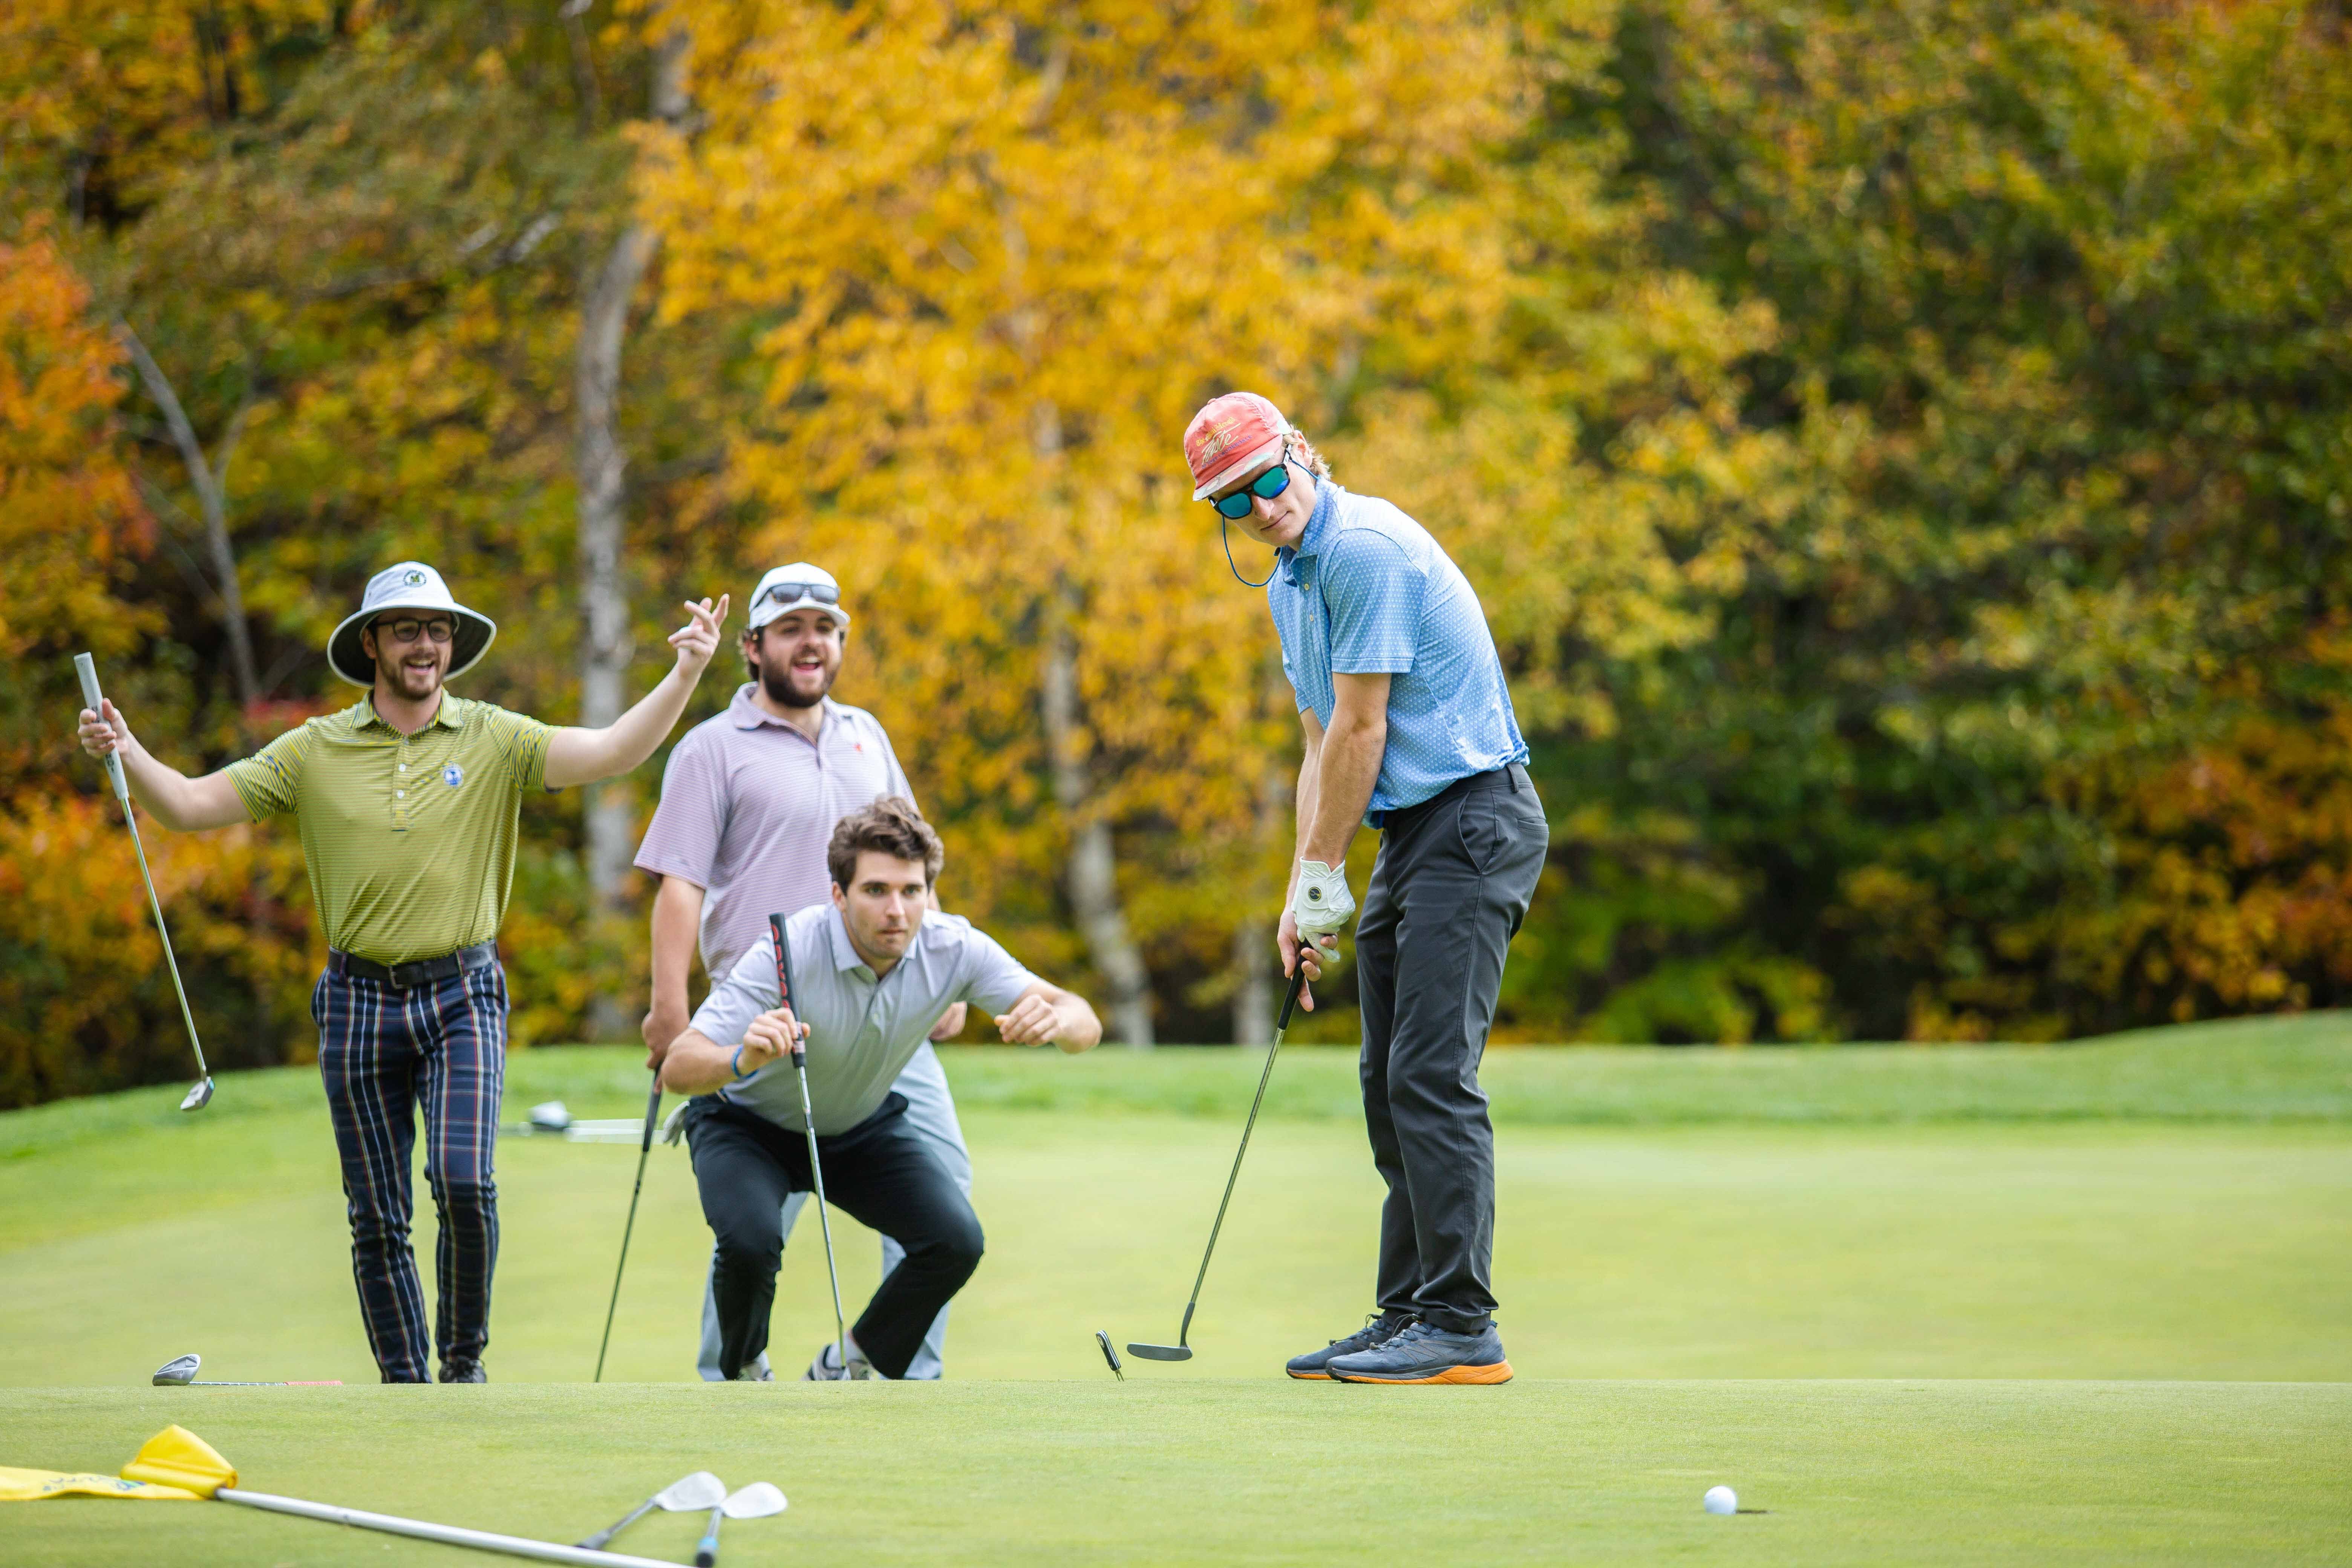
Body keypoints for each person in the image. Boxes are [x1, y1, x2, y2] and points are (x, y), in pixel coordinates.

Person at [78, 561, 728, 1384]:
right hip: (355, 999)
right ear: (372, 643)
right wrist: (126, 748)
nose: (426, 645)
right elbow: (188, 805)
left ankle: (461, 1366)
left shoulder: (496, 738)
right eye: (407, 630)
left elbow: (613, 752)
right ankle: (404, 1383)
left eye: (438, 630)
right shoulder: (313, 750)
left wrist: (687, 671)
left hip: (463, 994)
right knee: (376, 1215)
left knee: (464, 1181)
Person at [1184, 392, 1549, 1385]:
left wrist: (1322, 873)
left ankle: (1462, 1327)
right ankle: (1410, 1314)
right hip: (1416, 832)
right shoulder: (1289, 585)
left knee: (1429, 1074)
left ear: (1302, 453)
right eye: (1233, 501)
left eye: (1268, 478)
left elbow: (1364, 729)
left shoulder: (1361, 549)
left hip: (1474, 816)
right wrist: (1303, 890)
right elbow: (1318, 743)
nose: (1262, 507)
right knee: (1387, 1078)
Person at [634, 562, 973, 1381]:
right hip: (766, 1019)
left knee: (944, 1198)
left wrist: (939, 972)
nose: (810, 643)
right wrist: (670, 1010)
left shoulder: (866, 735)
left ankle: (892, 1375)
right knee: (755, 1226)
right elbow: (680, 885)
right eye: (790, 629)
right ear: (753, 647)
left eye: (825, 628)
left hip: (884, 1010)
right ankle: (731, 1377)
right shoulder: (713, 749)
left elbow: (909, 859)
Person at [662, 798, 1102, 1381]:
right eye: (875, 891)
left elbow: (1083, 1019)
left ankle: (848, 1363)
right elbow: (678, 1067)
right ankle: (744, 1365)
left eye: (912, 891)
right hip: (746, 1128)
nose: (897, 910)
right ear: (839, 894)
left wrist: (1059, 1023)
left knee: (955, 1241)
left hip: (857, 1130)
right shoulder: (788, 950)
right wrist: (740, 1057)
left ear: (928, 892)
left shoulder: (953, 947)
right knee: (750, 1242)